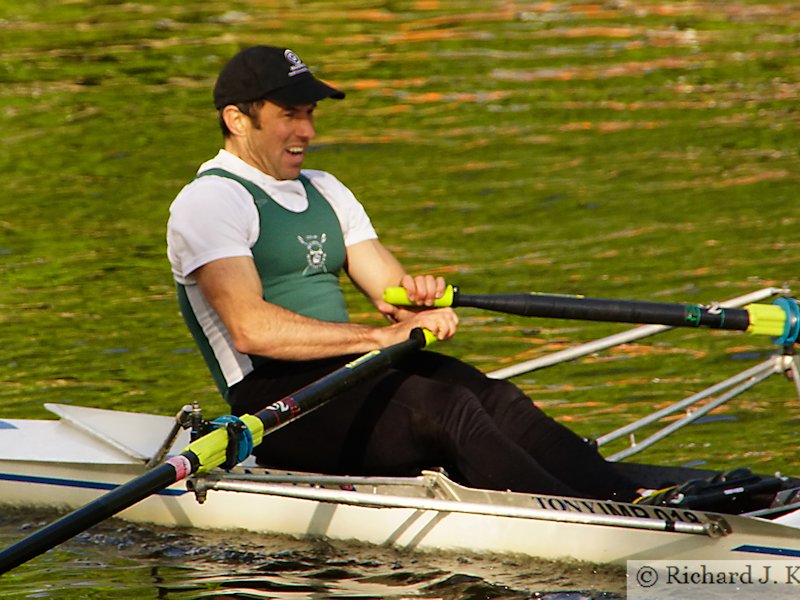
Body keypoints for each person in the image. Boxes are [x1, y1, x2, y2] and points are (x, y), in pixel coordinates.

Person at [167, 45, 642, 501]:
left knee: (495, 397)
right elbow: (251, 330)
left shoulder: (325, 189)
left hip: (352, 370)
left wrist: (419, 300)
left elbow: (392, 296)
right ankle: (582, 522)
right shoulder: (210, 200)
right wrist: (382, 338)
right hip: (276, 406)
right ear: (237, 119)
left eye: (310, 113)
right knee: (445, 411)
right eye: (290, 115)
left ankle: (631, 498)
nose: (307, 130)